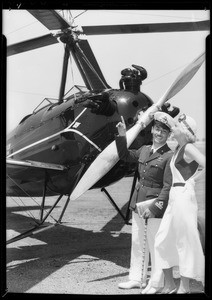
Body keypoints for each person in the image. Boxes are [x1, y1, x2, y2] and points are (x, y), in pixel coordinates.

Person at [115, 112, 175, 294]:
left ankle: (155, 283)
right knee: (137, 242)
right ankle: (136, 278)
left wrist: (156, 208)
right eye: (157, 129)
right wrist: (121, 135)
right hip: (138, 202)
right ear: (152, 130)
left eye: (163, 131)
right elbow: (124, 155)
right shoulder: (144, 150)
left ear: (168, 135)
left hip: (154, 206)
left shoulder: (168, 156)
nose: (159, 133)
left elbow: (167, 186)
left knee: (155, 245)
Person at [154, 112, 205, 294]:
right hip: (176, 197)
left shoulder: (189, 148)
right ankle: (169, 285)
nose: (173, 129)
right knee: (161, 240)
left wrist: (193, 179)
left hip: (183, 196)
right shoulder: (178, 149)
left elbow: (205, 162)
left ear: (184, 130)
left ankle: (184, 288)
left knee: (186, 242)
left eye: (176, 127)